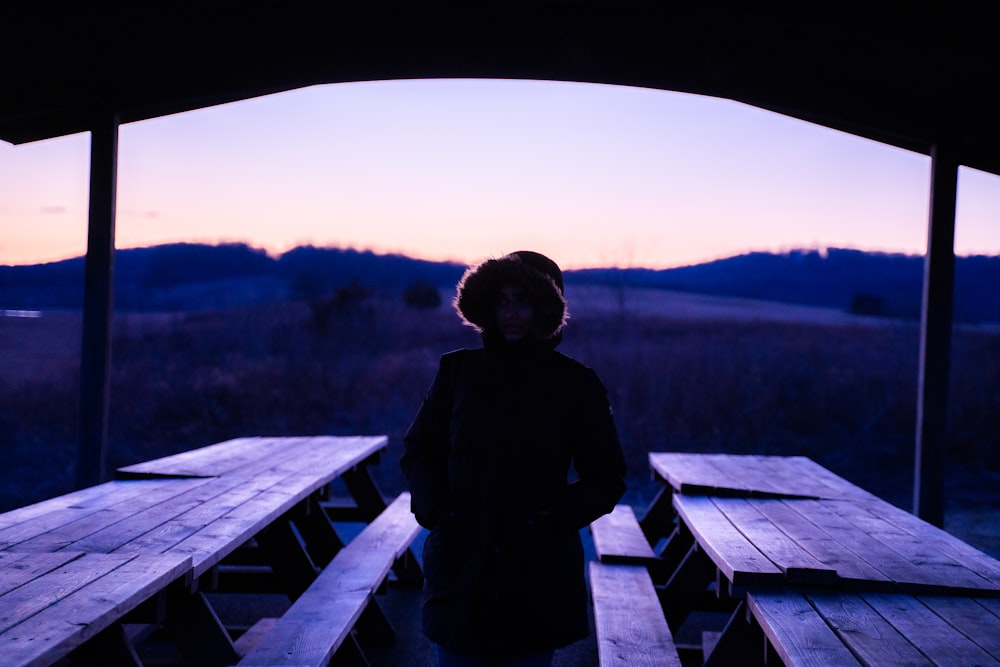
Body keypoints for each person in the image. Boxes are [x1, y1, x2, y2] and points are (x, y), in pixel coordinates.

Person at [400, 250, 627, 667]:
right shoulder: (457, 371)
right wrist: (439, 512)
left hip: (535, 569)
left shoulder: (576, 384)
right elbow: (420, 450)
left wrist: (550, 520)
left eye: (522, 300)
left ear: (546, 307)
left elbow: (606, 477)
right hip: (461, 561)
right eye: (502, 300)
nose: (511, 312)